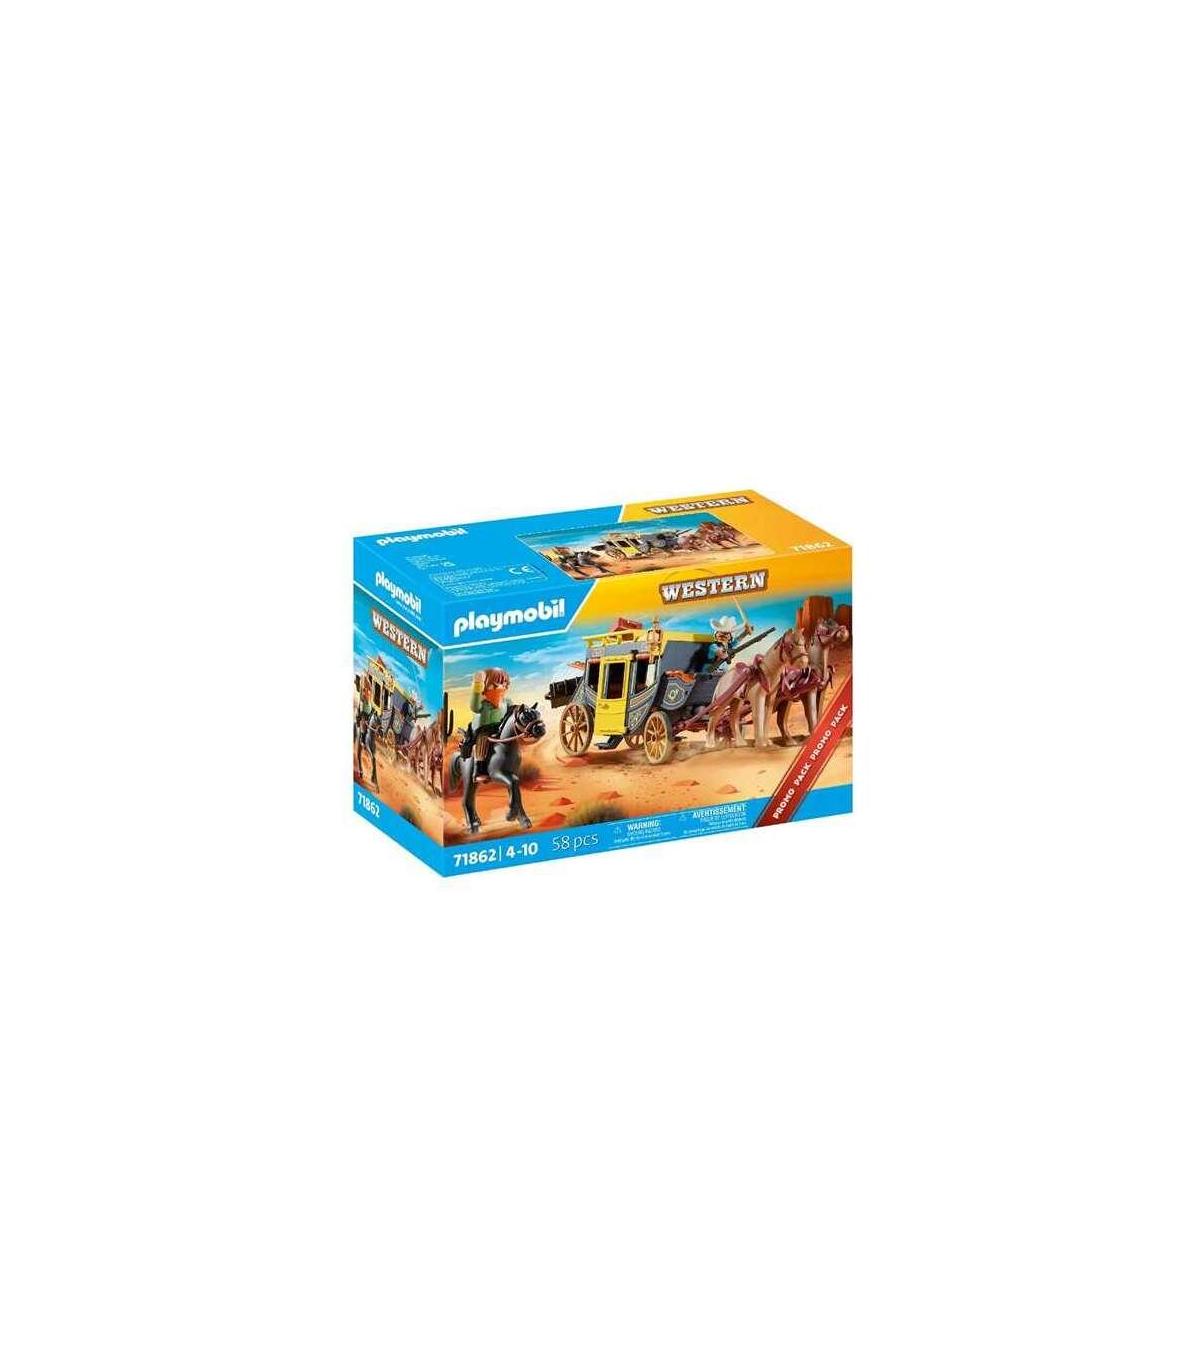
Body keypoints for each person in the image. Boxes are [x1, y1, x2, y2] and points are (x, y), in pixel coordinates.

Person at [463, 668, 511, 760]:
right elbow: (474, 706)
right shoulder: (483, 703)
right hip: (484, 730)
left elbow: (512, 711)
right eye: (496, 685)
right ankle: (479, 763)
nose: (501, 687)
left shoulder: (506, 702)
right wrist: (478, 684)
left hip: (501, 728)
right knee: (483, 742)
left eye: (504, 684)